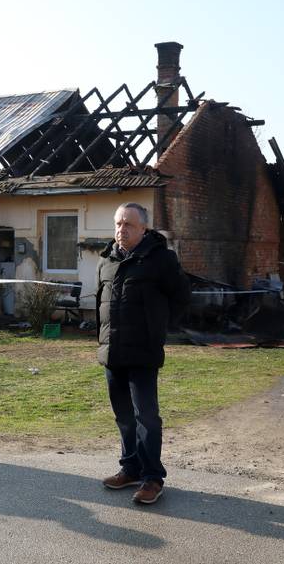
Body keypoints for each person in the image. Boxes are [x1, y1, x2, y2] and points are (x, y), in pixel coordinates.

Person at [96, 202, 190, 504]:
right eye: (118, 224)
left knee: (146, 418)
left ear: (144, 228)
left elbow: (182, 299)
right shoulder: (106, 261)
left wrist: (158, 331)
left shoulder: (161, 260)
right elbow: (103, 304)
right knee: (123, 417)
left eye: (128, 225)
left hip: (143, 354)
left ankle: (152, 478)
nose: (121, 230)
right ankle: (130, 468)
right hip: (112, 353)